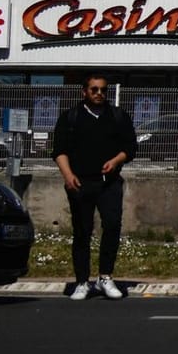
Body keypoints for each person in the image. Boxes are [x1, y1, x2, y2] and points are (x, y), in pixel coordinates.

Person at [50, 71, 137, 301]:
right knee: (82, 231)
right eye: (94, 89)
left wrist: (117, 160)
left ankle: (105, 276)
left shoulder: (117, 116)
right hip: (80, 183)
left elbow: (130, 147)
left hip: (109, 184)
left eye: (103, 90)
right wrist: (68, 176)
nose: (99, 94)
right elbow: (59, 151)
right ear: (84, 91)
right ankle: (82, 281)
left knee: (112, 226)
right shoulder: (71, 117)